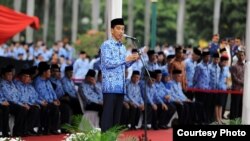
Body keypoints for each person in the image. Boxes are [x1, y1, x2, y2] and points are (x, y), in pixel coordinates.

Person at [100, 18, 139, 132]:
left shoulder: (122, 47)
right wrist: (125, 59)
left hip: (120, 88)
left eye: (123, 29)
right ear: (112, 30)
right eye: (118, 28)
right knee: (108, 118)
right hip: (110, 86)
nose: (121, 31)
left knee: (117, 119)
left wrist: (133, 60)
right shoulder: (106, 45)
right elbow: (107, 63)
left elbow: (124, 65)